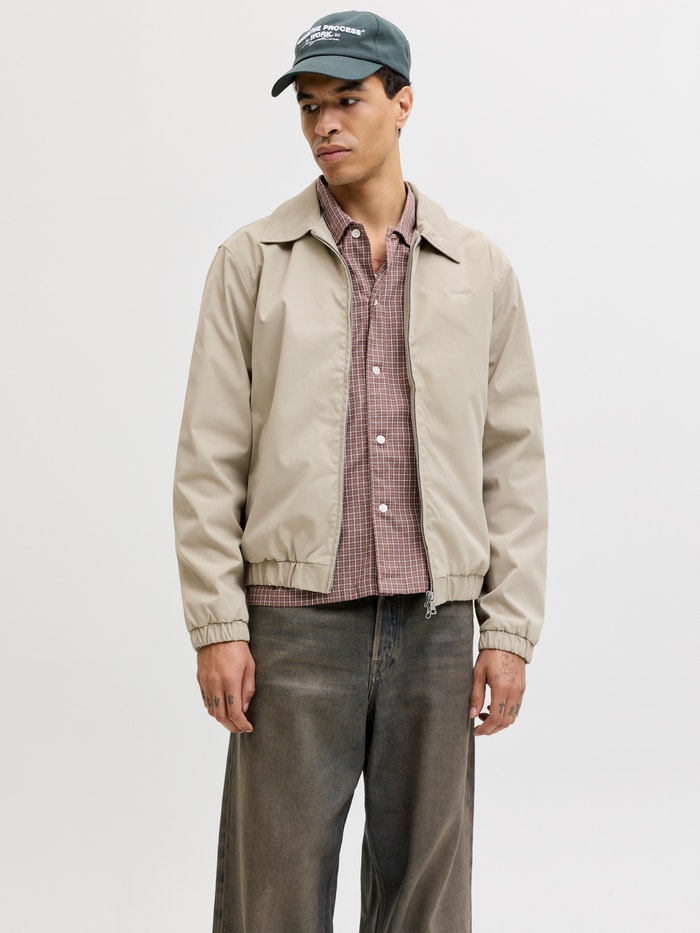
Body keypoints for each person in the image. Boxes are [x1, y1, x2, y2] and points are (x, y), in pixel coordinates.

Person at [173, 10, 548, 932]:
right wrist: (219, 624)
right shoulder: (251, 263)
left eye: (348, 100)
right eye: (310, 106)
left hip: (435, 627)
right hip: (293, 630)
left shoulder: (478, 270)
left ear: (403, 103)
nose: (326, 124)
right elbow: (209, 458)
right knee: (272, 900)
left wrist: (508, 630)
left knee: (429, 902)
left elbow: (513, 459)